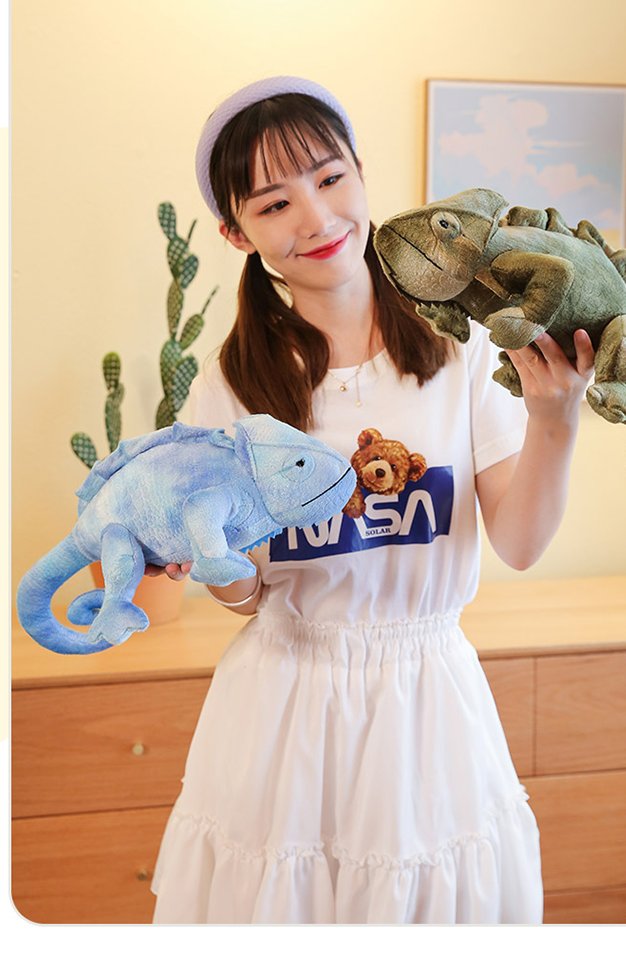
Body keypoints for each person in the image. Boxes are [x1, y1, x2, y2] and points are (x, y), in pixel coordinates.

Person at [149, 75, 595, 924]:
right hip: (283, 708)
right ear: (237, 232)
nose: (317, 217)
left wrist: (555, 419)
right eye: (275, 204)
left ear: (361, 173)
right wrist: (209, 556)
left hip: (430, 703)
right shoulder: (229, 386)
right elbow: (245, 594)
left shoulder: (461, 349)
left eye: (330, 178)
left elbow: (520, 542)